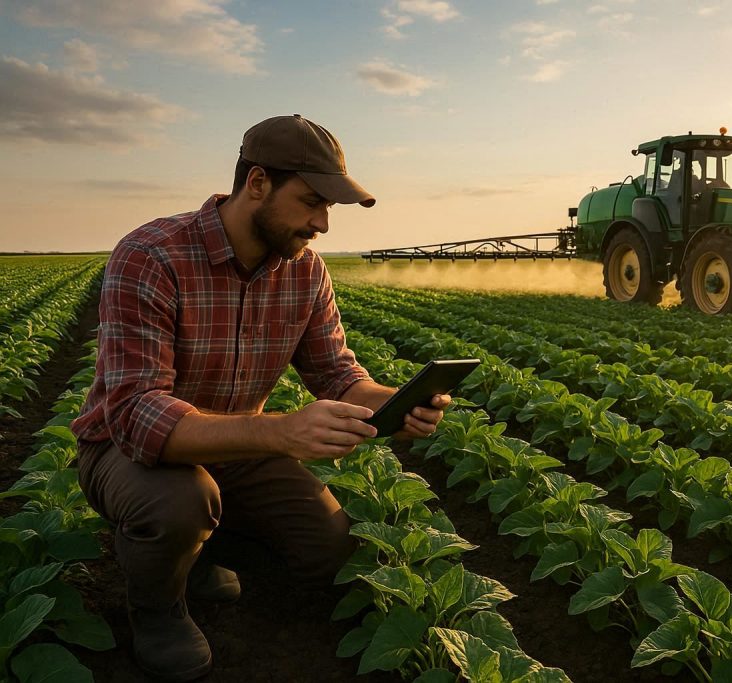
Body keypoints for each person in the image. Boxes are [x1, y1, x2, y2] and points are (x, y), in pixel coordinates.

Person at [70, 114, 450, 682]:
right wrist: (278, 430)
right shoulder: (152, 254)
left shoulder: (304, 271)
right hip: (124, 452)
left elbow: (339, 375)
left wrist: (398, 404)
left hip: (239, 452)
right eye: (311, 202)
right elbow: (137, 414)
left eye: (330, 208)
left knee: (326, 549)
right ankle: (157, 608)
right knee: (179, 503)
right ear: (256, 184)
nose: (322, 223)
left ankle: (199, 556)